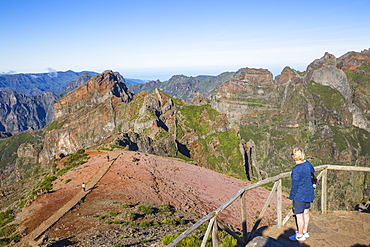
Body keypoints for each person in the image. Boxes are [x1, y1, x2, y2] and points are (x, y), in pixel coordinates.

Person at [289, 148, 315, 242]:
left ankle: (300, 235)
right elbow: (313, 170)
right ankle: (305, 231)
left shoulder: (296, 169)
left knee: (299, 215)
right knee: (306, 213)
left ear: (293, 156)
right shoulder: (307, 163)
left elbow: (295, 185)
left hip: (299, 195)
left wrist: (292, 196)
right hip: (309, 192)